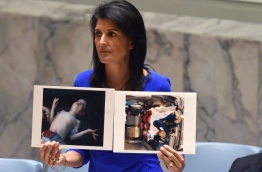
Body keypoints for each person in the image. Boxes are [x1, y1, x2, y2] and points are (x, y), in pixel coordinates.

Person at [40, 0, 185, 171]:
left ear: (131, 42)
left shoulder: (158, 85)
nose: (101, 41)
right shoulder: (84, 82)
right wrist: (61, 159)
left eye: (111, 34)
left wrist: (176, 164)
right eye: (98, 33)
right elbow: (83, 150)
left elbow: (172, 148)